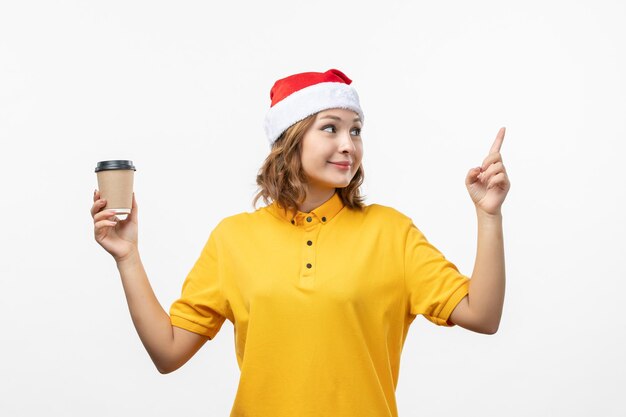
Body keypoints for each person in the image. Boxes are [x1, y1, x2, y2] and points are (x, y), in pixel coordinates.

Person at [90, 68, 510, 416]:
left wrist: (488, 215)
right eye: (330, 128)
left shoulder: (391, 232)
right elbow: (168, 353)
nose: (349, 144)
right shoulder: (233, 238)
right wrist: (127, 256)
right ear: (290, 141)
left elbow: (482, 315)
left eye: (356, 131)